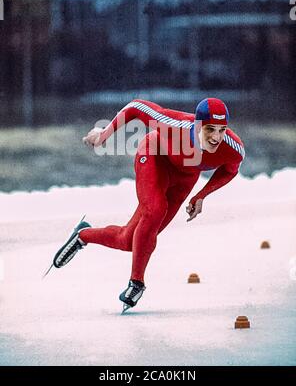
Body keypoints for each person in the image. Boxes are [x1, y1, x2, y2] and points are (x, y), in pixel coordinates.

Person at [52, 98, 245, 311]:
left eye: (222, 130)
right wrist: (102, 135)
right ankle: (137, 283)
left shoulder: (233, 148)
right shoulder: (175, 124)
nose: (217, 137)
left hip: (185, 177)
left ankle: (83, 235)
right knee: (155, 210)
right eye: (210, 129)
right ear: (198, 125)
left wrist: (201, 195)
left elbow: (230, 170)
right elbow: (136, 107)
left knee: (130, 241)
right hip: (154, 156)